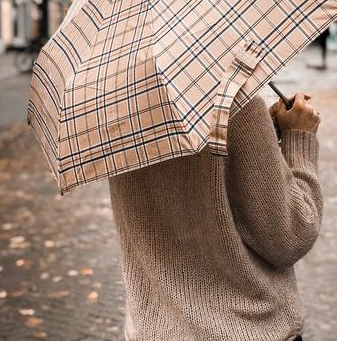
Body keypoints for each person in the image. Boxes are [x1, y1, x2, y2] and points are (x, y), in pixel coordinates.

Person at [108, 91, 323, 341]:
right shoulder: (231, 95)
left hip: (152, 330)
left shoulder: (114, 107)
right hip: (244, 329)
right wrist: (299, 136)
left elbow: (184, 181)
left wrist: (263, 130)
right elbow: (293, 235)